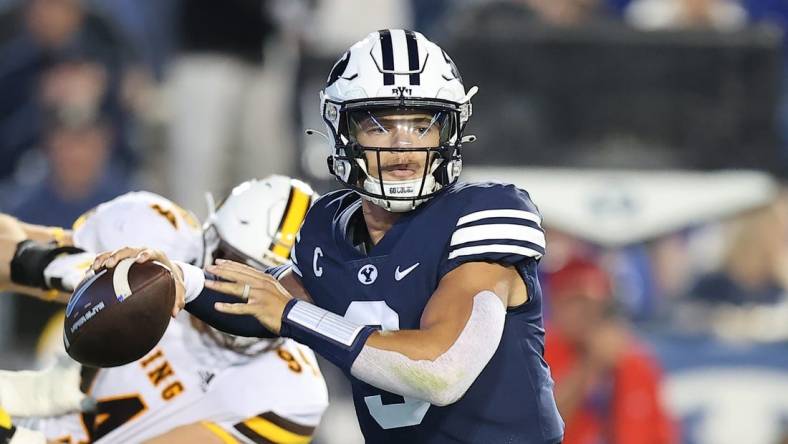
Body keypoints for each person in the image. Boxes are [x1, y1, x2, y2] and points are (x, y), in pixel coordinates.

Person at [97, 30, 565, 443]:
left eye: (422, 123)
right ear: (342, 130)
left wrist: (292, 314)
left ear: (451, 130)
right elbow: (260, 302)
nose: (402, 143)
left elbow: (442, 371)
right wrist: (175, 276)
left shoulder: (485, 212)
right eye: (379, 123)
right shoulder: (326, 228)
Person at [0, 175, 328, 443]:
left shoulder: (290, 394)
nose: (245, 293)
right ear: (209, 241)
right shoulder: (158, 235)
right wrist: (51, 266)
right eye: (236, 266)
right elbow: (9, 247)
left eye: (272, 282)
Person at [544, 258, 677, 444]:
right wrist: (590, 365)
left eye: (595, 303)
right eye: (576, 301)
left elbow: (662, 433)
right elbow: (543, 424)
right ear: (555, 304)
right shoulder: (538, 353)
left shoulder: (636, 361)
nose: (587, 312)